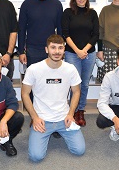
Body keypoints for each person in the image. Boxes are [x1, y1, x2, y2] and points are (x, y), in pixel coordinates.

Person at [21, 34, 85, 162]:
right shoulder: (34, 69)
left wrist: (71, 114)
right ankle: (41, 132)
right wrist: (35, 118)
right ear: (46, 49)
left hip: (64, 118)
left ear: (64, 49)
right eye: (53, 48)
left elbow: (76, 92)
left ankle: (59, 130)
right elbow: (24, 93)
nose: (56, 51)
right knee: (36, 157)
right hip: (42, 120)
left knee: (79, 150)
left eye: (60, 48)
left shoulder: (70, 69)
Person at [62, 0, 99, 126]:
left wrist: (85, 50)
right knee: (74, 84)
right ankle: (73, 110)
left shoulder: (92, 13)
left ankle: (80, 111)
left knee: (84, 84)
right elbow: (65, 34)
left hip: (89, 54)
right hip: (72, 53)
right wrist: (78, 50)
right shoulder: (67, 13)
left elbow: (96, 34)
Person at [18, 0, 63, 68]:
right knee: (34, 81)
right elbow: (21, 29)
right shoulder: (26, 4)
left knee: (52, 79)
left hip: (52, 49)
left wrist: (60, 49)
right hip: (32, 50)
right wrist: (21, 52)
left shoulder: (57, 5)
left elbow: (60, 29)